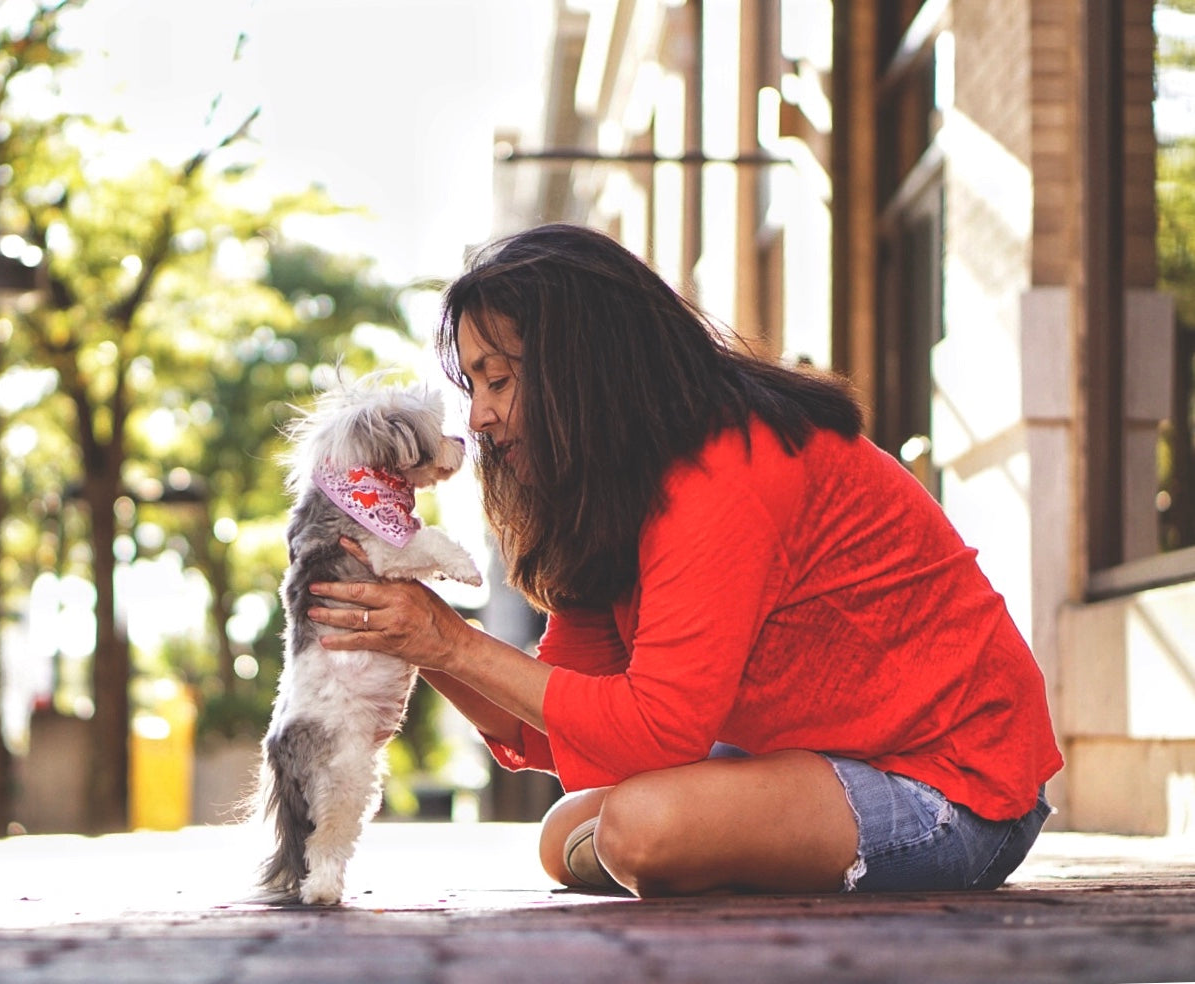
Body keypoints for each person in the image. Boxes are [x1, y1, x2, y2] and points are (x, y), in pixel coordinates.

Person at [307, 223, 1063, 898]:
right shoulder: (615, 495)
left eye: (497, 381)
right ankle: (732, 854)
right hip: (826, 757)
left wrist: (451, 642)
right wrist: (415, 637)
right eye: (471, 387)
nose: (476, 417)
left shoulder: (724, 468)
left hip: (954, 787)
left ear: (581, 368)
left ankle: (729, 860)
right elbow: (564, 737)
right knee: (568, 834)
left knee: (640, 829)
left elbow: (654, 733)